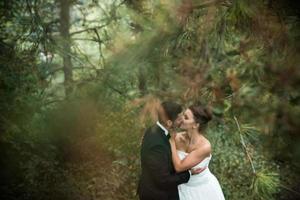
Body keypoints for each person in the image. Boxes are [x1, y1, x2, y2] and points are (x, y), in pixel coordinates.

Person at [137, 101, 203, 200]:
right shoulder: (157, 145)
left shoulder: (155, 130)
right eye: (179, 119)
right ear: (169, 122)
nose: (182, 121)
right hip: (157, 195)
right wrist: (189, 173)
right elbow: (163, 180)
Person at [169, 104, 225, 200]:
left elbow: (179, 167)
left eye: (186, 117)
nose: (181, 118)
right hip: (179, 187)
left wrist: (171, 141)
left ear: (195, 125)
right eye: (183, 115)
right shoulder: (177, 137)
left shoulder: (205, 147)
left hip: (202, 190)